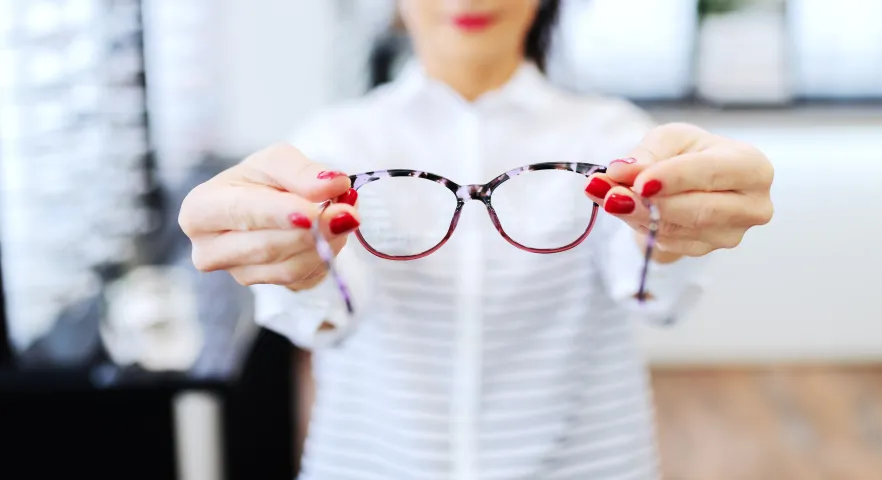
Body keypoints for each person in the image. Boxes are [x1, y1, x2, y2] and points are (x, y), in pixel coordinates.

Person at [178, 0, 775, 478]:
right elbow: (327, 320)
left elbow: (653, 296)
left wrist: (670, 233)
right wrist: (299, 266)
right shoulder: (333, 144)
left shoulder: (614, 137)